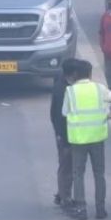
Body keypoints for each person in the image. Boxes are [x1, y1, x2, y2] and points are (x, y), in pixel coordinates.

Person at [62, 59, 111, 220]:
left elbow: (65, 113)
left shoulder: (70, 91)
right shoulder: (99, 88)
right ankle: (100, 208)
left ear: (75, 74)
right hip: (97, 136)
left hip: (78, 138)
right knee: (99, 174)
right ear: (90, 74)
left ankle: (81, 208)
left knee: (79, 174)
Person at [50, 59, 79, 208]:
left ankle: (62, 193)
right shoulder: (64, 90)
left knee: (66, 166)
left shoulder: (60, 85)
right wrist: (62, 136)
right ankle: (64, 198)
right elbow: (60, 117)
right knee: (66, 168)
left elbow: (53, 114)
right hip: (66, 135)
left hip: (63, 134)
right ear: (74, 73)